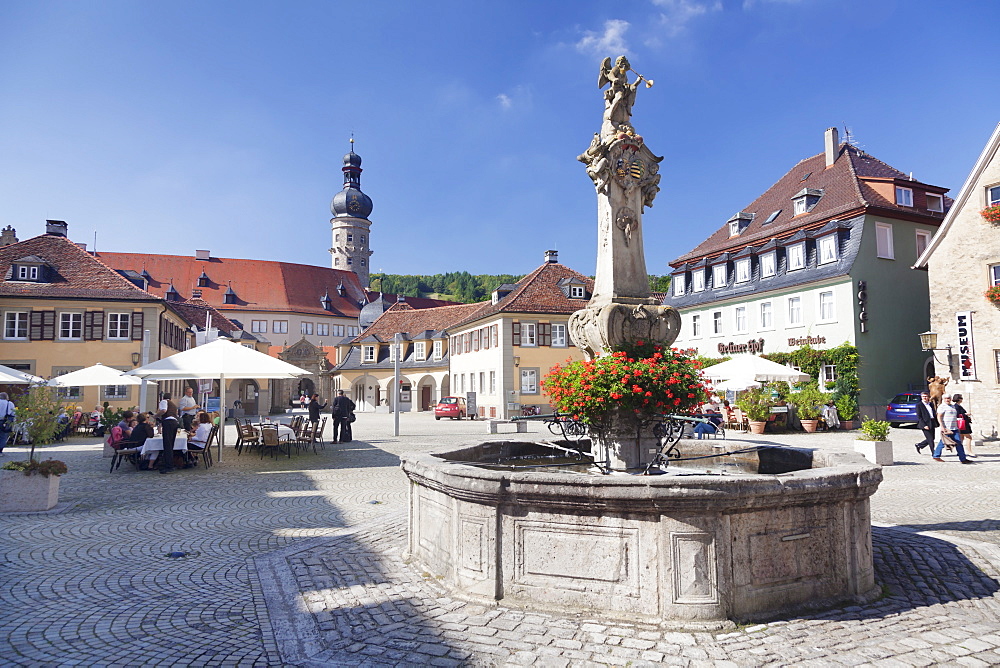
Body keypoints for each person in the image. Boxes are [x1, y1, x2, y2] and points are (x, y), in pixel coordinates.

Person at [932, 395, 971, 464]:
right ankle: (936, 455)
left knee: (958, 443)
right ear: (943, 399)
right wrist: (942, 427)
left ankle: (963, 459)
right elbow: (939, 417)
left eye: (948, 398)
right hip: (947, 428)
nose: (947, 400)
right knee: (943, 442)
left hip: (954, 428)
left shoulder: (953, 406)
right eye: (946, 398)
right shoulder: (942, 407)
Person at [156, 392, 180, 474]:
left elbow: (163, 410)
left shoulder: (163, 401)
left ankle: (168, 465)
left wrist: (156, 415)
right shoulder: (173, 404)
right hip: (174, 422)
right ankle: (170, 463)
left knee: (167, 444)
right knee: (171, 444)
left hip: (168, 422)